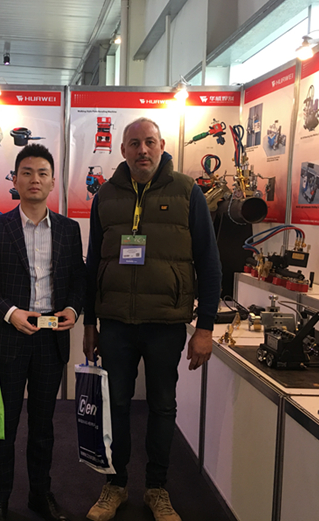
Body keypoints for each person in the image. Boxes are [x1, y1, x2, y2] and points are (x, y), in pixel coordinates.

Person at [83, 118, 221, 521]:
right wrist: (90, 323)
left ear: (161, 146)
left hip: (165, 323)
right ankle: (115, 485)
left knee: (162, 407)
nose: (142, 150)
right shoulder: (105, 196)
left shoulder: (188, 192)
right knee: (116, 406)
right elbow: (94, 263)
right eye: (134, 143)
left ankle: (157, 488)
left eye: (149, 142)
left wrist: (206, 327)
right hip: (116, 324)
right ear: (122, 150)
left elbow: (209, 263)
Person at [0, 144, 86, 521]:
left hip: (51, 339)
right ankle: (0, 498)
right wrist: (10, 312)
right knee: (3, 425)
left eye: (42, 173)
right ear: (15, 180)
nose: (35, 179)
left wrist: (72, 310)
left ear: (52, 182)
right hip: (10, 336)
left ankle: (40, 493)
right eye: (27, 172)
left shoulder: (69, 230)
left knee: (43, 425)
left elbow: (78, 280)